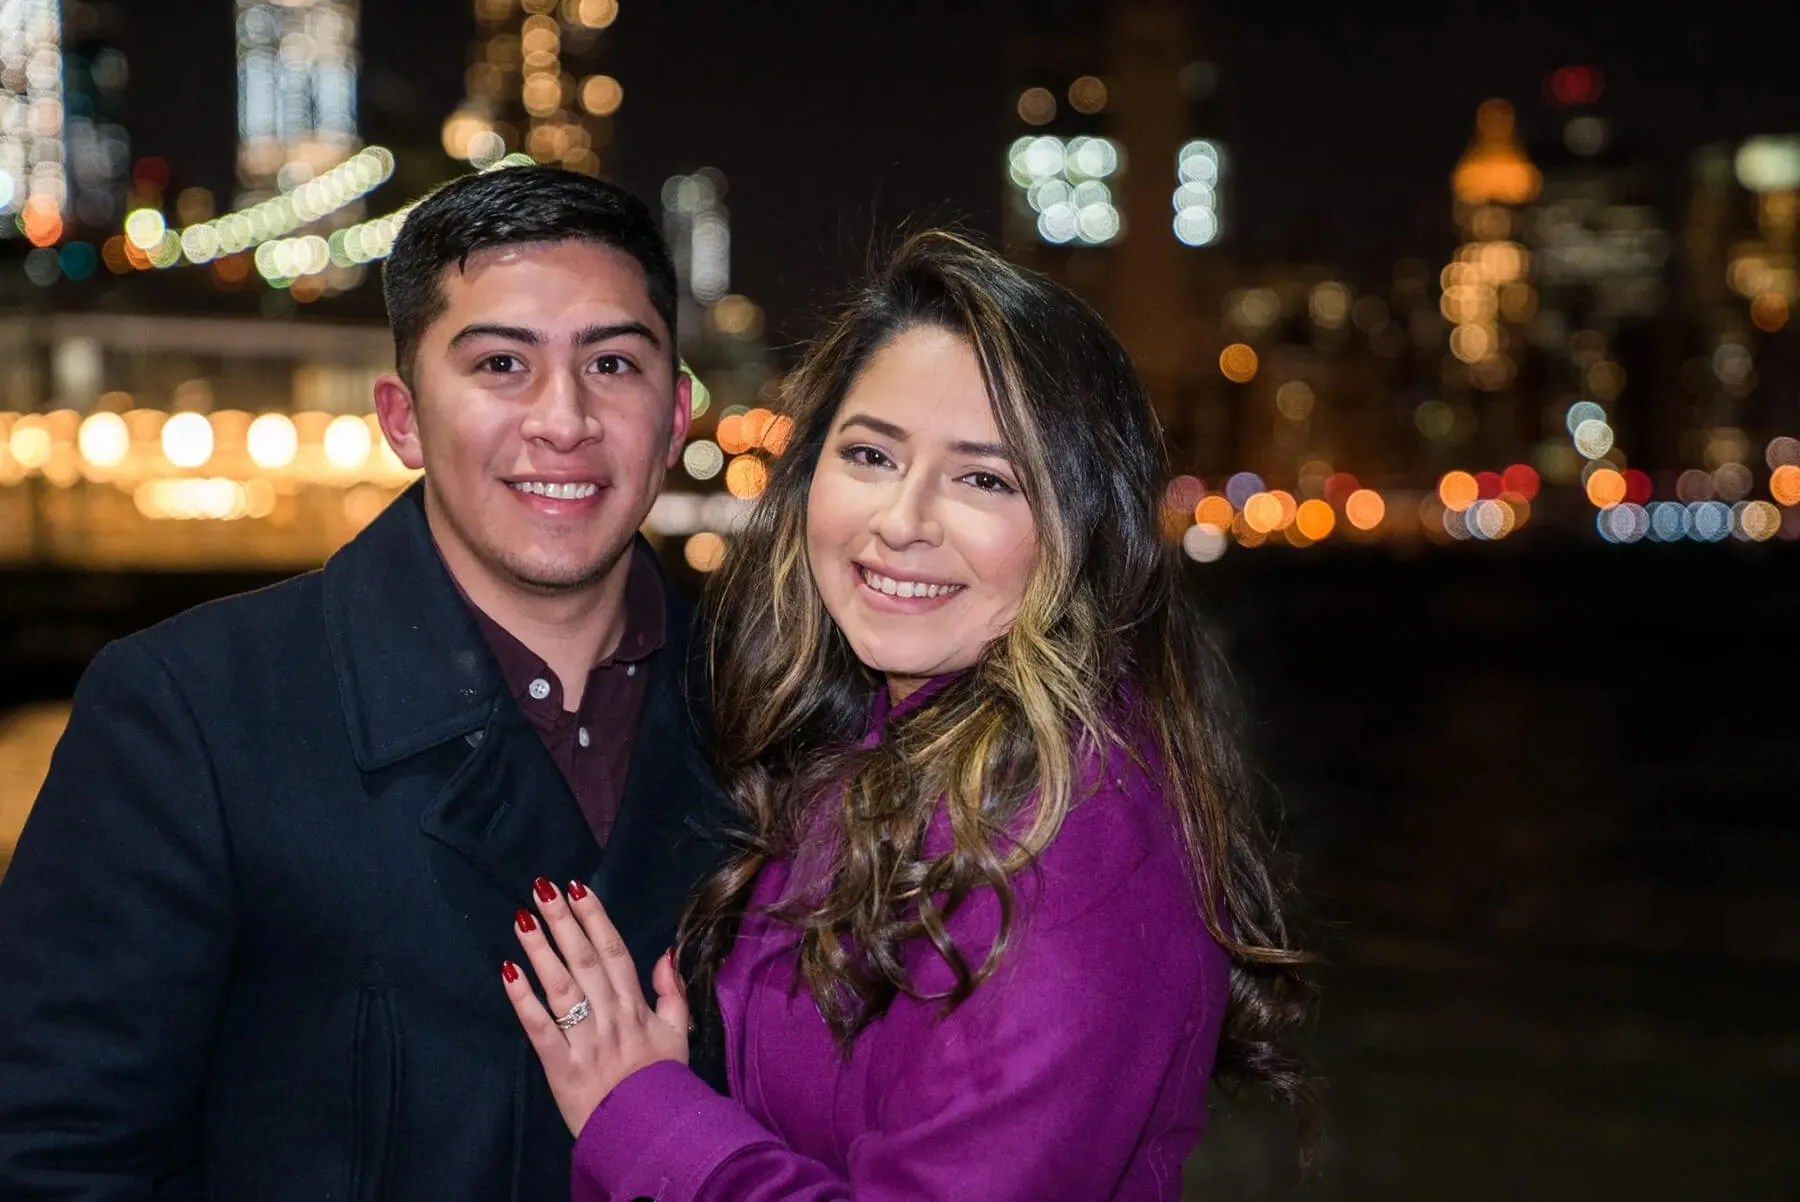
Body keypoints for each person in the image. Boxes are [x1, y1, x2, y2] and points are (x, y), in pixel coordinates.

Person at [498, 230, 1317, 1199]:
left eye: (984, 477)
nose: (902, 519)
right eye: (872, 454)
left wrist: (640, 1109)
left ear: (1083, 525)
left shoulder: (1076, 847)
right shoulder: (875, 753)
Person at [0, 166, 731, 1200]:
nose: (563, 419)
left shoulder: (780, 719)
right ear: (402, 417)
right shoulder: (192, 712)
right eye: (501, 365)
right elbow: (55, 1156)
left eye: (612, 362)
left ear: (676, 415)